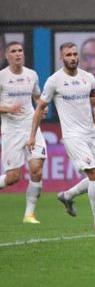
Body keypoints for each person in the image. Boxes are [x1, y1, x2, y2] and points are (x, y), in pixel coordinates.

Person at [27, 42, 95, 230]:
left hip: (91, 134)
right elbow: (40, 108)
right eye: (68, 55)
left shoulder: (88, 78)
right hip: (73, 136)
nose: (72, 58)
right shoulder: (54, 81)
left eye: (74, 54)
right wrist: (32, 135)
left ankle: (67, 196)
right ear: (61, 58)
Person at [0, 41, 47, 224]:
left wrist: (41, 107)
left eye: (20, 50)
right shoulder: (2, 77)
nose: (18, 54)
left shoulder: (31, 75)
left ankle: (29, 215)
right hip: (11, 131)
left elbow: (37, 96)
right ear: (7, 55)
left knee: (36, 170)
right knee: (13, 178)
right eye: (14, 51)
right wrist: (8, 108)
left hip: (31, 128)